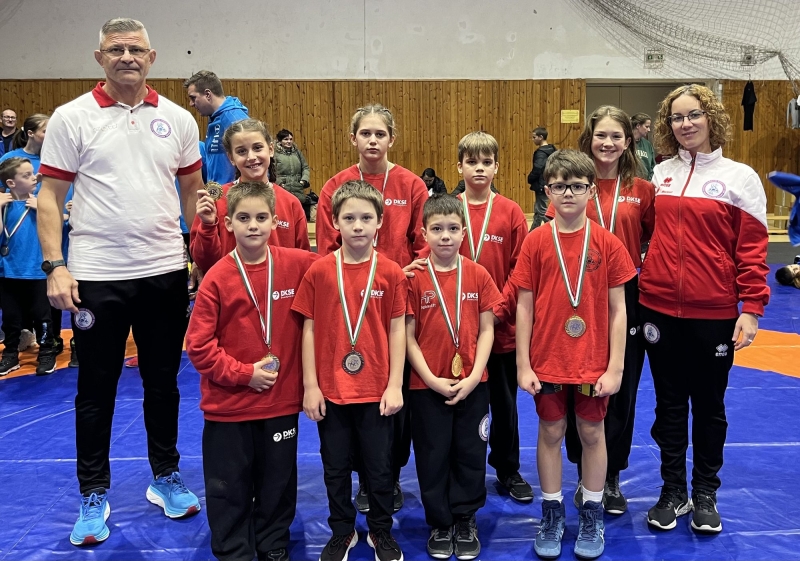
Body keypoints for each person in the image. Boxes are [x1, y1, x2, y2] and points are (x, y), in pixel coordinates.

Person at [37, 17, 205, 546]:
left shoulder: (178, 119)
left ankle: (165, 475)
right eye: (116, 49)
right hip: (96, 275)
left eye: (136, 49)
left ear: (152, 58)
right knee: (95, 388)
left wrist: (198, 254)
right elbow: (49, 197)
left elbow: (191, 192)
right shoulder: (72, 117)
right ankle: (93, 492)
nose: (126, 56)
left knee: (163, 383)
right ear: (99, 57)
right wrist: (55, 265)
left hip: (163, 271)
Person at [639, 84, 770, 534]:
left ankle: (705, 492)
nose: (686, 124)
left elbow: (752, 250)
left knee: (710, 406)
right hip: (657, 309)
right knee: (669, 405)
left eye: (694, 114)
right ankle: (673, 490)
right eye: (677, 117)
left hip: (713, 312)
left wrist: (751, 307)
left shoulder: (740, 177)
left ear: (711, 117)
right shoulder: (660, 174)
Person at [186, 181, 319, 561]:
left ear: (275, 221)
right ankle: (234, 550)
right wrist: (245, 374)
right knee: (229, 486)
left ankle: (273, 543)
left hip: (279, 403)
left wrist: (401, 271)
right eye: (243, 218)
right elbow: (198, 346)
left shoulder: (296, 264)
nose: (253, 225)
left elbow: (343, 267)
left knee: (278, 481)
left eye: (262, 217)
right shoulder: (217, 278)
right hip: (229, 406)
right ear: (229, 224)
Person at [513, 149, 635, 560]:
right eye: (560, 186)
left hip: (592, 360)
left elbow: (619, 310)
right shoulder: (535, 241)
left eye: (578, 186)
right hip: (548, 358)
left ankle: (592, 511)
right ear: (547, 191)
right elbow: (524, 307)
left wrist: (616, 366)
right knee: (550, 431)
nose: (569, 193)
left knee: (592, 433)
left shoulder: (607, 243)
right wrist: (523, 363)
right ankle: (551, 512)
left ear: (591, 191)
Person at [315, 104, 428, 512]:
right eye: (365, 133)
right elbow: (327, 249)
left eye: (380, 133)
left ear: (392, 139)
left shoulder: (412, 184)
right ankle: (364, 477)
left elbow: (424, 242)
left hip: (396, 300)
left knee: (394, 393)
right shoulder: (335, 186)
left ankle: (388, 474)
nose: (373, 140)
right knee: (354, 390)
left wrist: (404, 271)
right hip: (349, 309)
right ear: (353, 139)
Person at [550, 105, 655, 515]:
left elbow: (650, 238)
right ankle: (583, 469)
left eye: (615, 136)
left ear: (628, 142)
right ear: (588, 139)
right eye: (600, 135)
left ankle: (610, 476)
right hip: (575, 292)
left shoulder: (642, 190)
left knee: (620, 387)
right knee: (577, 382)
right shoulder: (574, 184)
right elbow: (555, 233)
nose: (607, 143)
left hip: (623, 294)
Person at [292, 180, 406, 561]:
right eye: (349, 218)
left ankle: (380, 531)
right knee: (335, 467)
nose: (358, 226)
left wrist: (395, 384)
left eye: (366, 218)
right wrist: (310, 386)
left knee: (380, 468)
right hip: (332, 390)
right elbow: (308, 330)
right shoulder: (320, 271)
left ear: (380, 222)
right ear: (334, 222)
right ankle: (342, 531)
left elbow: (397, 330)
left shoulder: (391, 272)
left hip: (376, 389)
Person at [406, 194, 501, 560]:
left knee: (471, 451)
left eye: (452, 228)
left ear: (464, 232)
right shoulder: (414, 277)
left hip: (473, 384)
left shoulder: (478, 274)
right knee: (432, 455)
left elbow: (488, 329)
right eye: (437, 229)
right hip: (426, 386)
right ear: (423, 233)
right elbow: (407, 336)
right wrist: (430, 378)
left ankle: (465, 518)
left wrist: (475, 375)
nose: (445, 236)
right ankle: (440, 522)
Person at [454, 131, 532, 503]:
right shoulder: (448, 208)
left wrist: (498, 310)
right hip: (457, 328)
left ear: (497, 167)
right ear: (460, 166)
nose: (479, 168)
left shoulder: (511, 211)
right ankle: (461, 470)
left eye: (487, 162)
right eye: (472, 162)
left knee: (504, 404)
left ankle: (507, 468)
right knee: (464, 403)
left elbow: (521, 269)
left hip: (501, 328)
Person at [190, 119, 310, 274]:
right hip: (229, 286)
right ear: (231, 158)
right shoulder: (216, 201)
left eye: (257, 148)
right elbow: (204, 262)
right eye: (241, 151)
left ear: (271, 149)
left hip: (280, 287)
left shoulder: (290, 203)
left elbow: (303, 261)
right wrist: (207, 226)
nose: (251, 157)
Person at [0, 157, 60, 376]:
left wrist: (42, 208)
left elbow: (61, 224)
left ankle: (46, 352)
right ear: (11, 183)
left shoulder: (41, 202)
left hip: (37, 271)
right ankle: (10, 354)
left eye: (32, 173)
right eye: (26, 175)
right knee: (10, 317)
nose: (34, 177)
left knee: (42, 316)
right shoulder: (4, 206)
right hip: (8, 271)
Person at [184, 69, 249, 184]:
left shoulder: (234, 119)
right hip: (217, 191)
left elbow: (253, 163)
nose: (191, 104)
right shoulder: (215, 118)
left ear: (208, 94)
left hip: (234, 193)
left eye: (193, 98)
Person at [527, 127, 556, 229]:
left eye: (534, 137)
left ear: (541, 137)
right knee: (538, 209)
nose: (533, 139)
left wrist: (530, 178)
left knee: (542, 211)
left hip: (542, 184)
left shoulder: (541, 153)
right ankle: (532, 232)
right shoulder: (552, 150)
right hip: (549, 181)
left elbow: (538, 168)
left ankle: (555, 228)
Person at [274, 128, 311, 207]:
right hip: (283, 189)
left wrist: (303, 181)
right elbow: (272, 171)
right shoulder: (275, 154)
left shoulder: (297, 152)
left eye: (291, 139)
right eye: (286, 139)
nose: (289, 141)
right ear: (279, 141)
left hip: (298, 188)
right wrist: (280, 184)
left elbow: (305, 167)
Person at [631, 113, 656, 180]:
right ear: (638, 126)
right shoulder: (625, 143)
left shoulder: (647, 144)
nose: (649, 130)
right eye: (647, 127)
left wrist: (649, 181)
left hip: (645, 183)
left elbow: (652, 167)